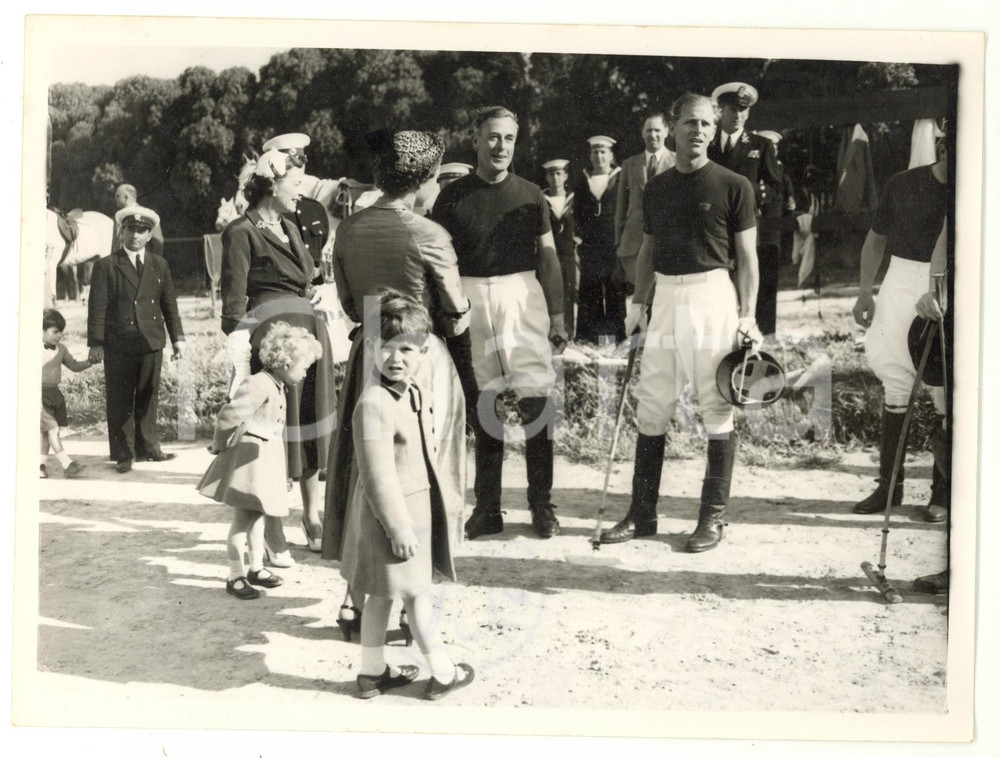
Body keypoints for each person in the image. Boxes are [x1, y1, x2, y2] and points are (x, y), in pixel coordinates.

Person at [324, 128, 471, 642]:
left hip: (368, 349)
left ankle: (351, 600)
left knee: (364, 471)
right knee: (425, 471)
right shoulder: (429, 234)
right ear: (427, 177)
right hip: (419, 357)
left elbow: (345, 301)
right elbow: (454, 312)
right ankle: (413, 604)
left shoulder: (348, 229)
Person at [599, 93, 761, 553]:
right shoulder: (657, 186)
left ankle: (712, 520)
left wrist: (748, 316)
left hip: (713, 295)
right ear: (673, 128)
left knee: (716, 403)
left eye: (707, 124)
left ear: (714, 130)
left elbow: (747, 258)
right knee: (652, 402)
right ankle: (642, 513)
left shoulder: (734, 185)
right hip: (666, 296)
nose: (699, 131)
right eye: (690, 123)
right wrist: (637, 301)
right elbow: (648, 250)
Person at [432, 105, 567, 540]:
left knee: (535, 400)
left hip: (521, 297)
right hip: (470, 297)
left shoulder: (530, 194)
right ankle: (488, 507)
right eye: (492, 137)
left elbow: (548, 257)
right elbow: (439, 260)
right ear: (476, 140)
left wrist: (559, 314)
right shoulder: (451, 197)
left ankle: (540, 504)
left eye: (508, 138)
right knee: (484, 403)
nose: (500, 146)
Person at [339, 291, 474, 700]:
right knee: (417, 598)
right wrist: (397, 527)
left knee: (381, 594)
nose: (395, 358)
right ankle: (444, 672)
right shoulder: (373, 404)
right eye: (385, 348)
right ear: (371, 349)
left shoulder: (409, 390)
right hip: (393, 519)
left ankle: (371, 672)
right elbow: (377, 475)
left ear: (424, 352)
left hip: (411, 513)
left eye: (407, 350)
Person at [220, 145, 338, 567]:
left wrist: (316, 295)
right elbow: (233, 309)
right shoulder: (240, 231)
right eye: (294, 184)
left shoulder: (290, 224)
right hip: (272, 347)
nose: (300, 192)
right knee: (273, 438)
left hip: (307, 339)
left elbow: (306, 278)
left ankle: (312, 516)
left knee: (308, 426)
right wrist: (242, 361)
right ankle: (272, 530)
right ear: (271, 184)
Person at [850, 134, 948, 522]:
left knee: (944, 387)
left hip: (947, 285)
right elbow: (876, 241)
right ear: (941, 144)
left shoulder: (976, 184)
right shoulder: (903, 184)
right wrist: (863, 293)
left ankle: (942, 492)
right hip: (900, 281)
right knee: (895, 378)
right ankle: (889, 485)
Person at [198, 322, 323, 599]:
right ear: (286, 362)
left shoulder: (278, 385)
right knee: (242, 522)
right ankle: (235, 575)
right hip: (248, 464)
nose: (304, 374)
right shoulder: (258, 384)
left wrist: (282, 476)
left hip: (264, 462)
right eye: (303, 367)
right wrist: (219, 445)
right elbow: (229, 415)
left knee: (257, 519)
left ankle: (255, 568)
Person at [88, 206, 185, 473]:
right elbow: (97, 308)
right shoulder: (106, 266)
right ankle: (124, 453)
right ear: (122, 231)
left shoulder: (159, 265)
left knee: (148, 395)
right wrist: (96, 343)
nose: (135, 235)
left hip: (150, 340)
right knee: (119, 398)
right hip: (118, 342)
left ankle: (149, 447)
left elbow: (169, 305)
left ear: (149, 234)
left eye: (141, 231)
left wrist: (178, 338)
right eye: (130, 229)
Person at [708, 83, 783, 336]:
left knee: (755, 285)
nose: (738, 115)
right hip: (714, 228)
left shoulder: (760, 145)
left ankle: (762, 340)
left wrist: (751, 196)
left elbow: (775, 186)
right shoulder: (707, 144)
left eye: (743, 110)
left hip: (748, 226)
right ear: (720, 111)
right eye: (732, 109)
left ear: (748, 113)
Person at [615, 111, 676, 293]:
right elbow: (621, 206)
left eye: (657, 130)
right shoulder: (629, 164)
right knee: (639, 298)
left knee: (663, 296)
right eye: (648, 130)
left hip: (667, 241)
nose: (653, 135)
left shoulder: (678, 161)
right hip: (634, 243)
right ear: (642, 132)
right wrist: (619, 241)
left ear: (666, 131)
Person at [573, 135, 625, 344]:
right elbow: (577, 212)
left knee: (614, 290)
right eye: (595, 152)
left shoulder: (620, 178)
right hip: (590, 246)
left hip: (613, 245)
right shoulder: (583, 180)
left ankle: (613, 340)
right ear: (590, 155)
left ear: (611, 155)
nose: (599, 156)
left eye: (603, 151)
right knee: (590, 291)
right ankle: (589, 341)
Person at [261, 133, 330, 280]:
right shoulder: (271, 212)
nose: (298, 168)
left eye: (300, 163)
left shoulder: (315, 209)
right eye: (291, 164)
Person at [41, 308, 95, 478]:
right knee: (53, 429)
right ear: (41, 330)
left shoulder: (62, 349)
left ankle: (39, 465)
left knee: (46, 433)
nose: (59, 335)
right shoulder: (31, 347)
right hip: (36, 395)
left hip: (54, 394)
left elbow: (74, 366)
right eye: (55, 331)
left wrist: (90, 362)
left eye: (61, 332)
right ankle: (67, 464)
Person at [542, 158, 578, 340]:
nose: (555, 178)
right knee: (549, 293)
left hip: (568, 254)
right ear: (547, 177)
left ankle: (567, 332)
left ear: (565, 175)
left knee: (569, 292)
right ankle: (551, 334)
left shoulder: (574, 198)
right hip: (549, 254)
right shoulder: (542, 199)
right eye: (551, 174)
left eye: (558, 173)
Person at [113, 183, 165, 257]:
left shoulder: (148, 215)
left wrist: (155, 264)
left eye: (117, 196)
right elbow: (115, 244)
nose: (115, 198)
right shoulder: (118, 217)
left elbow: (158, 243)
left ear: (126, 197)